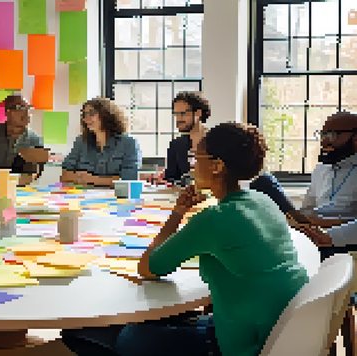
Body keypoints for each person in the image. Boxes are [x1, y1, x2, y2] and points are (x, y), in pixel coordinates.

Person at [61, 123, 309, 356]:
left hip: (241, 344)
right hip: (280, 330)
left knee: (101, 335)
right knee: (155, 322)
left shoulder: (215, 218)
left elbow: (148, 268)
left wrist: (177, 214)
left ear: (217, 165)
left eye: (196, 158)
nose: (191, 166)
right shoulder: (263, 201)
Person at [60, 98, 141, 187]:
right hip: (83, 196)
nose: (86, 119)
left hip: (115, 197)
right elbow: (65, 175)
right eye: (84, 115)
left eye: (91, 113)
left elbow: (129, 179)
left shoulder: (128, 143)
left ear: (106, 114)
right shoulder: (81, 141)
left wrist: (91, 179)